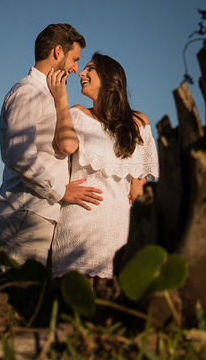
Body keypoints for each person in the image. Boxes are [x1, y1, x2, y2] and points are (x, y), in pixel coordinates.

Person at [0, 24, 104, 270]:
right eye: (74, 59)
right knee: (20, 299)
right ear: (57, 52)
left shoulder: (47, 94)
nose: (75, 69)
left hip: (36, 213)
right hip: (26, 213)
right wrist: (62, 192)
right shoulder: (29, 93)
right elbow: (19, 157)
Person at [50, 52, 159, 279]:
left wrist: (142, 236)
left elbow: (137, 189)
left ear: (109, 77)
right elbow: (65, 145)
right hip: (78, 225)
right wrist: (61, 98)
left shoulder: (139, 123)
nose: (81, 73)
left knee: (110, 306)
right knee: (73, 306)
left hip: (120, 230)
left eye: (90, 69)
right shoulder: (78, 113)